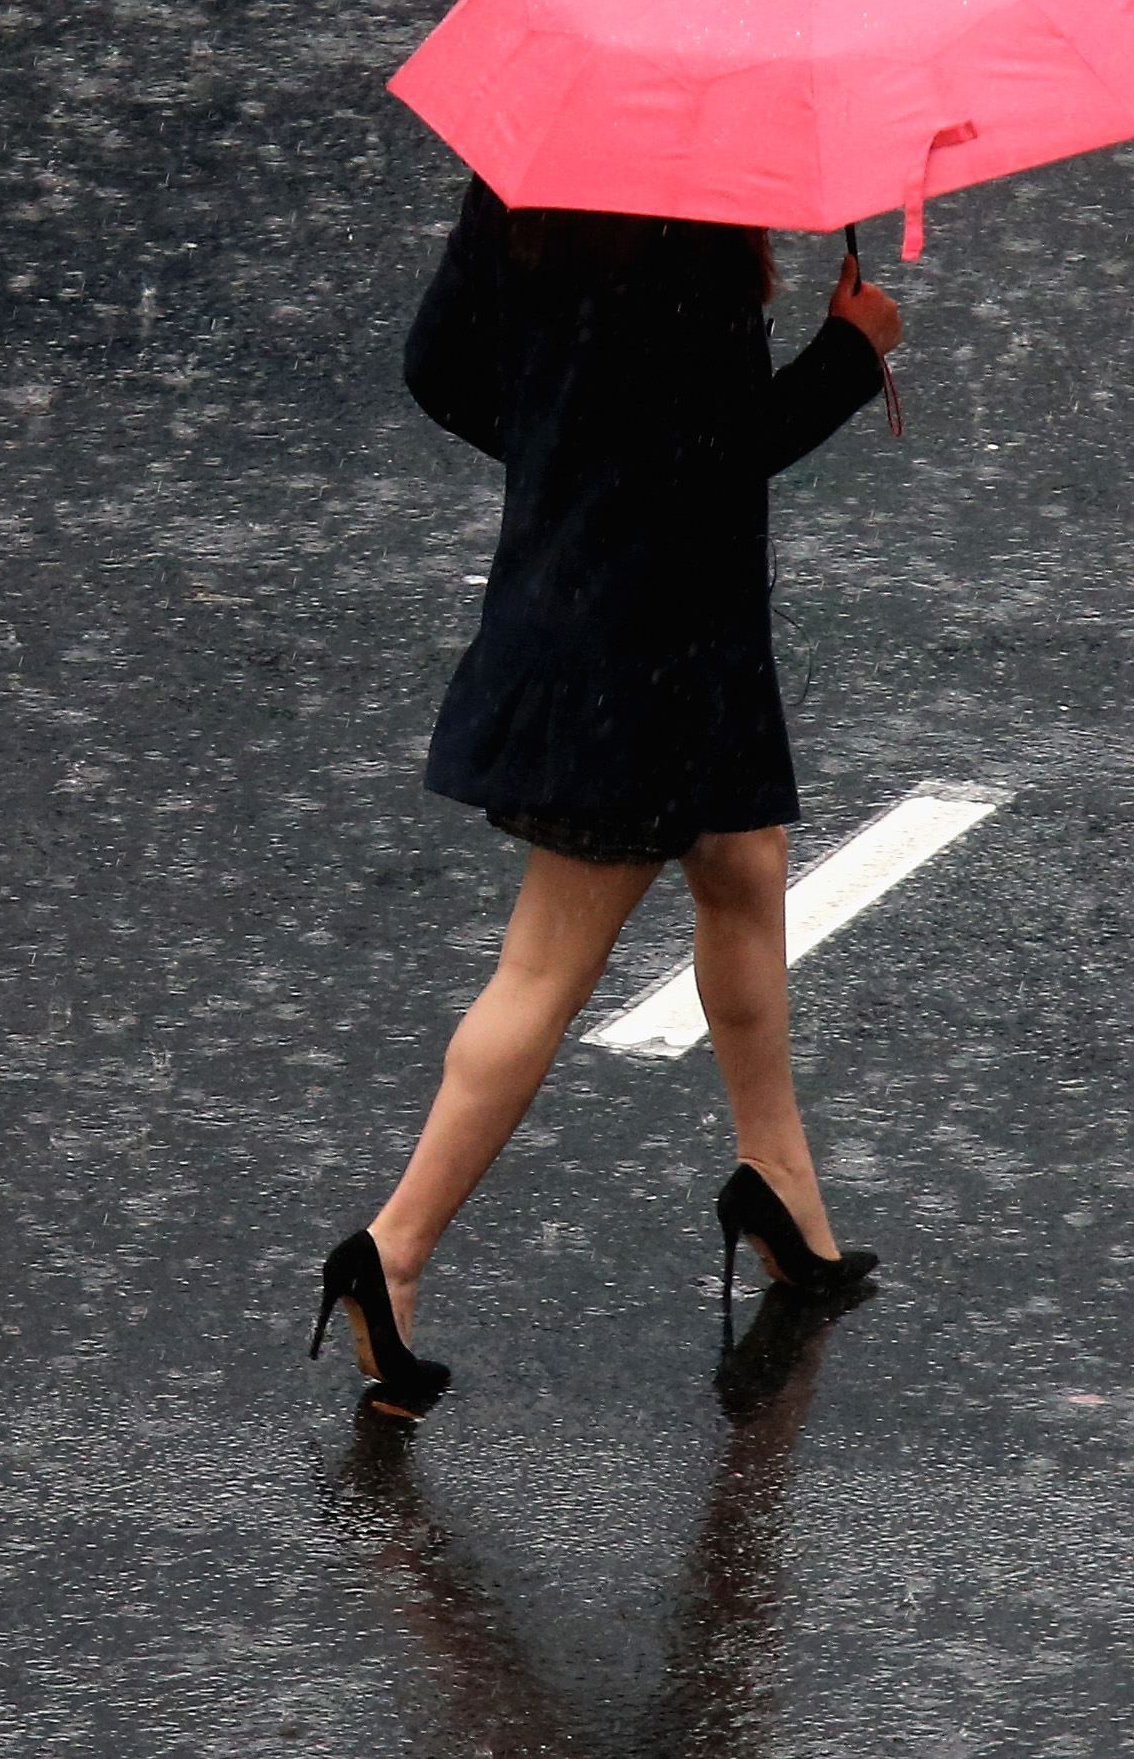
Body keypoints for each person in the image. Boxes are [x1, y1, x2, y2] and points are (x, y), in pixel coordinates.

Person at [307, 177, 903, 1414]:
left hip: (608, 612)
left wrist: (570, 455)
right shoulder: (691, 196)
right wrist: (855, 352)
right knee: (545, 967)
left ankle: (779, 1190)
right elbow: (725, 448)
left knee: (743, 869)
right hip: (649, 651)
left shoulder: (532, 168)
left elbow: (440, 365)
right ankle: (393, 1252)